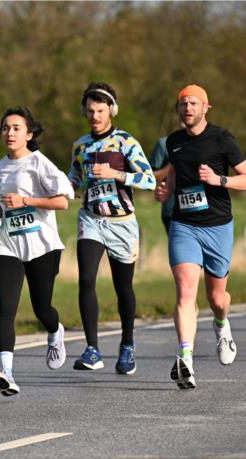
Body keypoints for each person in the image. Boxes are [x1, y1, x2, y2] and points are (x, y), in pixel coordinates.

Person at [155, 85, 246, 389]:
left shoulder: (222, 139)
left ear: (206, 108)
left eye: (193, 103)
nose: (187, 108)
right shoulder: (173, 142)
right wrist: (166, 190)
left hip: (217, 226)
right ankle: (185, 357)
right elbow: (173, 172)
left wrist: (219, 179)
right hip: (183, 225)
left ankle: (222, 325)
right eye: (183, 103)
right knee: (186, 292)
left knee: (217, 299)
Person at [68, 83, 155, 375]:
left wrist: (115, 173)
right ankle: (92, 349)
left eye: (100, 111)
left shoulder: (125, 142)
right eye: (90, 111)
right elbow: (75, 179)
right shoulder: (80, 145)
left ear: (111, 111)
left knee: (123, 287)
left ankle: (127, 344)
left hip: (121, 224)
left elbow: (149, 180)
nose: (95, 116)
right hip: (91, 220)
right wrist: (62, 188)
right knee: (86, 280)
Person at [0, 107, 74, 396]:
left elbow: (63, 202)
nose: (9, 133)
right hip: (7, 244)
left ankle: (55, 331)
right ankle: (7, 373)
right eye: (5, 128)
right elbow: (4, 206)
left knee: (42, 309)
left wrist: (25, 200)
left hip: (42, 246)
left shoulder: (40, 164)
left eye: (15, 128)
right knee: (6, 310)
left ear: (29, 134)